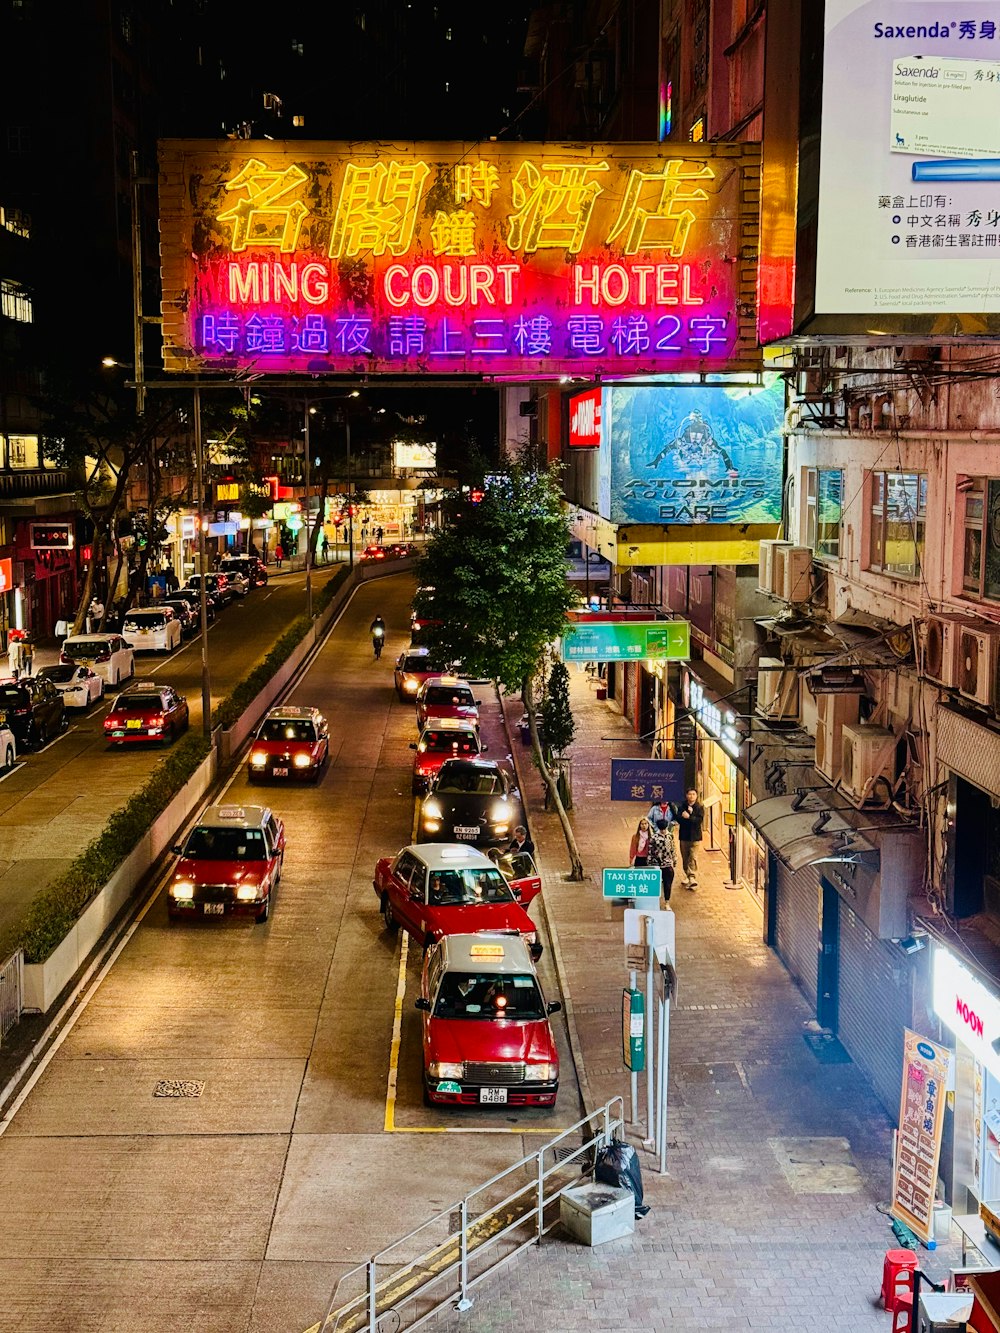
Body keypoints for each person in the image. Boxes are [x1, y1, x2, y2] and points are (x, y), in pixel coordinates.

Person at [677, 788, 705, 890]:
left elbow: (699, 821)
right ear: (686, 795)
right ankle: (687, 875)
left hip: (695, 837)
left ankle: (692, 877)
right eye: (690, 794)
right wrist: (683, 817)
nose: (691, 796)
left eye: (693, 794)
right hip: (684, 836)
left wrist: (689, 817)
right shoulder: (682, 806)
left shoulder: (699, 807)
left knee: (693, 857)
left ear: (696, 796)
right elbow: (679, 819)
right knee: (685, 857)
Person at [649, 821, 676, 903]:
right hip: (657, 864)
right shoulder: (654, 838)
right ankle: (655, 901)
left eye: (664, 829)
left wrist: (674, 860)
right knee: (655, 884)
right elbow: (650, 851)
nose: (663, 831)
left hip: (668, 864)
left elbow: (673, 848)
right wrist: (650, 863)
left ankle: (667, 901)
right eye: (662, 829)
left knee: (668, 884)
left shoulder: (670, 836)